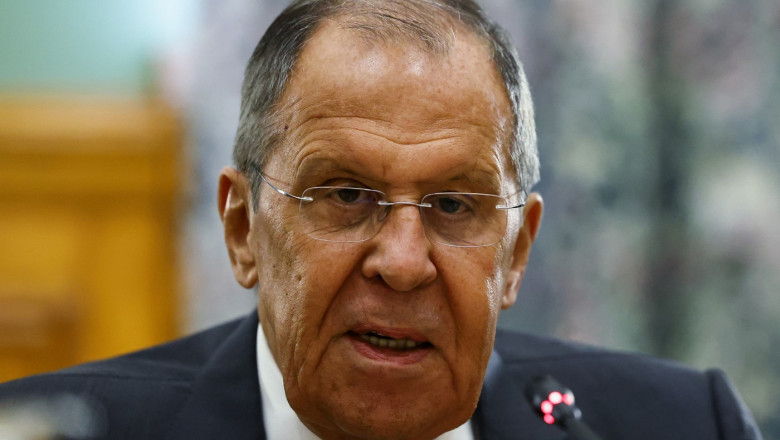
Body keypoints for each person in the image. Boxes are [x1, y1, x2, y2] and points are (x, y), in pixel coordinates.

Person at [0, 1, 765, 439]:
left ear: (517, 251)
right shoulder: (52, 428)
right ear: (242, 230)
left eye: (455, 205)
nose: (402, 263)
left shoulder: (687, 425)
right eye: (345, 196)